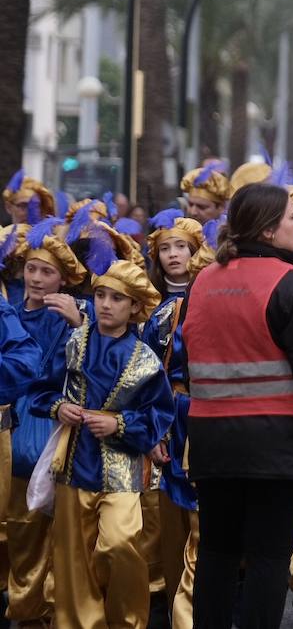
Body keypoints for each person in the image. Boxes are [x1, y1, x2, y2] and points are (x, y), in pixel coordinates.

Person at [183, 183, 293, 629]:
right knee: (267, 558)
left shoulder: (203, 281)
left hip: (212, 443)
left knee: (217, 553)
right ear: (267, 230)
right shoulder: (290, 283)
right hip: (277, 445)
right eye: (290, 216)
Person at [34, 255, 173, 629]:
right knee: (74, 555)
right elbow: (42, 390)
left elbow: (159, 415)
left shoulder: (145, 359)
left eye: (117, 298)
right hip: (74, 462)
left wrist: (120, 423)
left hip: (122, 468)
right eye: (100, 296)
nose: (106, 305)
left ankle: (127, 622)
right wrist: (59, 406)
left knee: (120, 542)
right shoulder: (73, 343)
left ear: (135, 307)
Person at [6, 218, 88, 629]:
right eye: (31, 269)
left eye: (47, 272)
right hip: (11, 418)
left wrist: (79, 323)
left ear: (63, 279)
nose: (36, 278)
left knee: (45, 524)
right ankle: (23, 606)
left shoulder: (70, 315)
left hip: (49, 422)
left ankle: (39, 612)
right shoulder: (9, 311)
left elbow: (95, 365)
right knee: (17, 525)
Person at [142, 210, 211, 629]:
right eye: (164, 248)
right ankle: (168, 603)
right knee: (165, 515)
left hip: (208, 414)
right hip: (172, 414)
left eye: (181, 247)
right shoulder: (152, 310)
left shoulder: (212, 299)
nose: (173, 255)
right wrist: (154, 428)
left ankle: (203, 606)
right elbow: (147, 375)